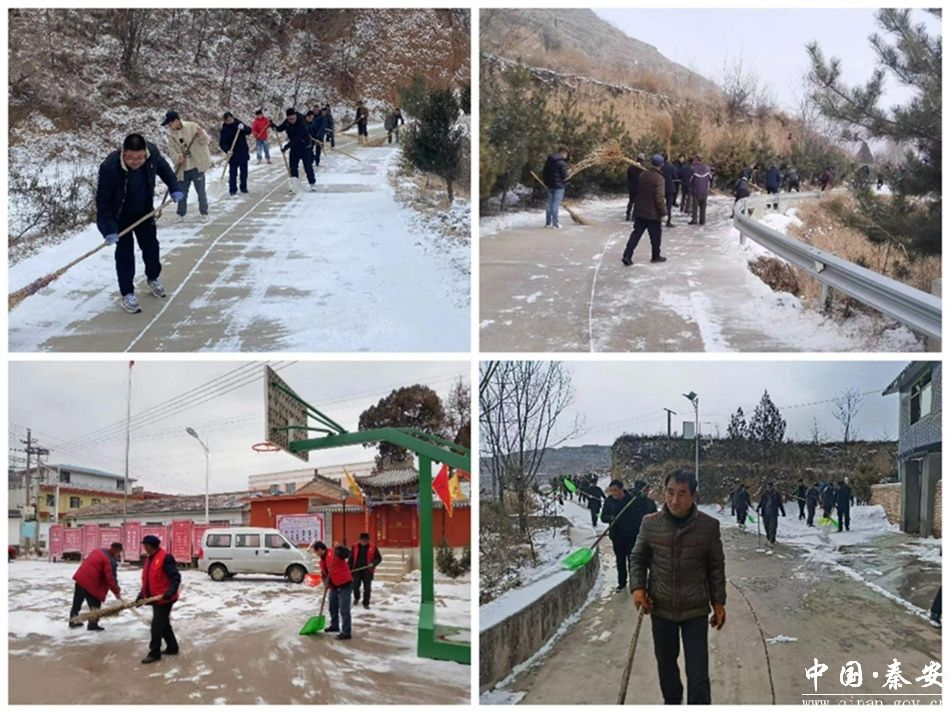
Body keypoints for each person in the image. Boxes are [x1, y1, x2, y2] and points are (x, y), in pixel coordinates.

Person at [630, 469, 726, 705]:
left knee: (698, 672)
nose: (674, 500)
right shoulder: (650, 523)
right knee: (666, 666)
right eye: (670, 492)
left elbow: (715, 566)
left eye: (682, 494)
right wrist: (638, 588)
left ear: (693, 495)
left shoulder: (708, 526)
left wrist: (718, 602)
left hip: (695, 610)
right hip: (661, 608)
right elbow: (638, 558)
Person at [96, 133, 184, 314]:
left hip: (144, 212)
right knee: (125, 254)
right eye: (130, 158)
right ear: (123, 152)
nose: (135, 162)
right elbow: (103, 202)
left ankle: (153, 277)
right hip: (120, 216)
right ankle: (127, 293)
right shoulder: (110, 168)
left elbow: (165, 170)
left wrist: (174, 187)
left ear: (145, 153)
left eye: (139, 157)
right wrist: (109, 229)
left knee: (151, 248)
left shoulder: (152, 154)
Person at [602, 479, 656, 592]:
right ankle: (621, 583)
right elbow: (603, 517)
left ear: (621, 489)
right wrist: (611, 518)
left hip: (631, 535)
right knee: (620, 560)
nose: (613, 493)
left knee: (632, 560)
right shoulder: (609, 501)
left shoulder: (632, 500)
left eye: (615, 490)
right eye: (611, 491)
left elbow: (641, 512)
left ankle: (634, 584)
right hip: (617, 537)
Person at [137, 535, 181, 664]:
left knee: (156, 626)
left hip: (165, 599)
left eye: (145, 545)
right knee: (163, 623)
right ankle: (172, 647)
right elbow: (149, 579)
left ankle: (154, 653)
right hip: (155, 598)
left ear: (150, 546)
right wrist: (142, 594)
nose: (144, 547)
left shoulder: (166, 558)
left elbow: (175, 578)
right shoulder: (150, 558)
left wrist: (170, 591)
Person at [161, 110, 211, 220]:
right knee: (182, 193)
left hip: (197, 165)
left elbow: (206, 141)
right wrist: (178, 157)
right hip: (183, 169)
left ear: (176, 120)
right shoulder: (172, 136)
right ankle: (181, 214)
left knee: (201, 192)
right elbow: (172, 153)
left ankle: (204, 212)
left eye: (170, 123)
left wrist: (201, 134)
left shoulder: (192, 126)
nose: (169, 126)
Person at [621, 154, 667, 266]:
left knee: (636, 234)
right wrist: (663, 212)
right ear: (661, 165)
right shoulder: (659, 178)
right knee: (655, 236)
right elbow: (659, 198)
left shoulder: (642, 175)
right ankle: (655, 256)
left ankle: (627, 255)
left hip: (640, 211)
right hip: (652, 213)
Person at [69, 541, 123, 631]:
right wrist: (116, 592)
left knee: (77, 602)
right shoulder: (110, 561)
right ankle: (92, 625)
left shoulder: (98, 551)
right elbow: (111, 579)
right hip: (91, 583)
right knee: (95, 605)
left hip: (80, 578)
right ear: (116, 550)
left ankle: (73, 620)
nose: (119, 554)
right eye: (119, 552)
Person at [314, 541, 353, 640]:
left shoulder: (335, 552)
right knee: (332, 607)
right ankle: (334, 625)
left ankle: (346, 632)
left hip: (344, 584)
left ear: (320, 549)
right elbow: (324, 574)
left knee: (344, 609)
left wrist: (340, 547)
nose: (316, 554)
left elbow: (347, 554)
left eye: (316, 552)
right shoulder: (321, 562)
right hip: (334, 586)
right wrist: (325, 582)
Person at [270, 108, 317, 191]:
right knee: (293, 167)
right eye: (289, 119)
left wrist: (286, 147)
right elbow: (280, 128)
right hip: (295, 148)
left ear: (296, 116)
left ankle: (312, 183)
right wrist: (273, 125)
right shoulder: (287, 122)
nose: (291, 121)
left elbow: (296, 139)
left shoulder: (302, 123)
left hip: (305, 147)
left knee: (307, 166)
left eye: (293, 119)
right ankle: (295, 184)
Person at [219, 112, 251, 197]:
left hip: (243, 152)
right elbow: (222, 143)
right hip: (233, 155)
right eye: (227, 120)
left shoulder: (239, 124)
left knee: (244, 172)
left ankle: (243, 188)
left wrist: (244, 128)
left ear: (233, 118)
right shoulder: (224, 129)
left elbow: (249, 131)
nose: (229, 121)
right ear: (225, 121)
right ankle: (232, 189)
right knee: (233, 173)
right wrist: (227, 150)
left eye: (230, 119)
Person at [348, 533, 382, 609]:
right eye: (362, 540)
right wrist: (349, 569)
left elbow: (379, 558)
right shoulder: (355, 547)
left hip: (368, 570)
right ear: (360, 540)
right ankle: (357, 597)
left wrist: (373, 564)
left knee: (367, 588)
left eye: (365, 540)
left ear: (368, 540)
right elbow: (351, 559)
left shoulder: (373, 547)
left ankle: (366, 603)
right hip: (356, 570)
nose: (364, 541)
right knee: (355, 586)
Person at [542, 145, 569, 229]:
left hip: (550, 185)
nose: (566, 156)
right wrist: (569, 173)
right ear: (563, 152)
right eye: (566, 154)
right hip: (559, 187)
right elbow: (565, 176)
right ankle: (555, 224)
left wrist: (546, 182)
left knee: (549, 204)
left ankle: (548, 223)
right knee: (555, 205)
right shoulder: (562, 163)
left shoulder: (549, 160)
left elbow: (544, 172)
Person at [688, 155, 711, 226]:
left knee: (695, 207)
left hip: (696, 191)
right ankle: (702, 220)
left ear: (696, 160)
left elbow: (690, 180)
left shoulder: (693, 169)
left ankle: (694, 219)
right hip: (705, 191)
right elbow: (710, 178)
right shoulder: (707, 168)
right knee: (703, 208)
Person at [625, 154, 644, 221]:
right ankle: (634, 216)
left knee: (631, 201)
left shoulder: (631, 167)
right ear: (642, 160)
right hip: (638, 187)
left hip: (631, 186)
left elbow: (628, 176)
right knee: (637, 202)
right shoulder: (642, 169)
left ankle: (628, 214)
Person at [661, 156, 678, 227]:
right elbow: (675, 176)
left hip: (661, 187)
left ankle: (659, 219)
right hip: (670, 188)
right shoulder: (672, 167)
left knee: (660, 204)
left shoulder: (660, 167)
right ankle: (668, 221)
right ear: (668, 159)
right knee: (669, 206)